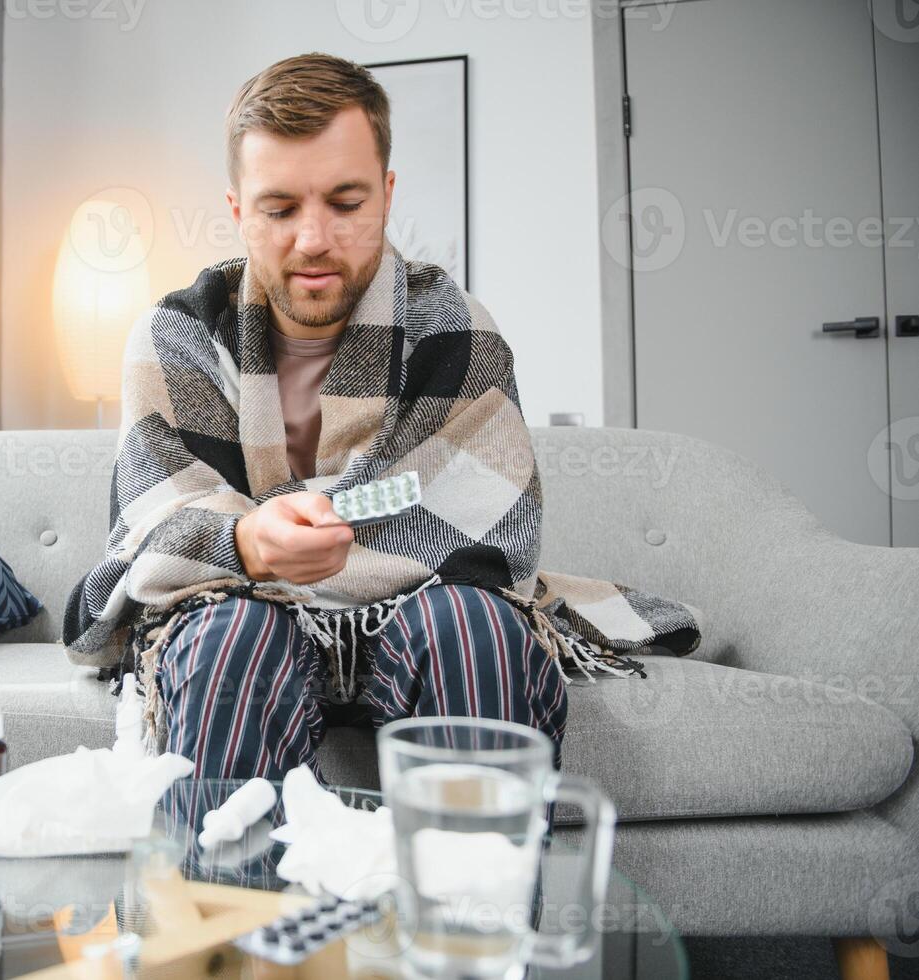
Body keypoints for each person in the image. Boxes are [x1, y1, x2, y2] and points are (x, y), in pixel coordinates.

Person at [62, 53, 690, 780]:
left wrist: (274, 534)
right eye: (279, 208)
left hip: (420, 619)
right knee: (230, 636)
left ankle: (469, 893)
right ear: (237, 210)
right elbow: (152, 525)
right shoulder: (178, 334)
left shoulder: (455, 330)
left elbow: (491, 545)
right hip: (237, 615)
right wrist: (245, 541)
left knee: (474, 628)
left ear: (386, 196)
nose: (313, 239)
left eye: (345, 202)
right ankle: (224, 894)